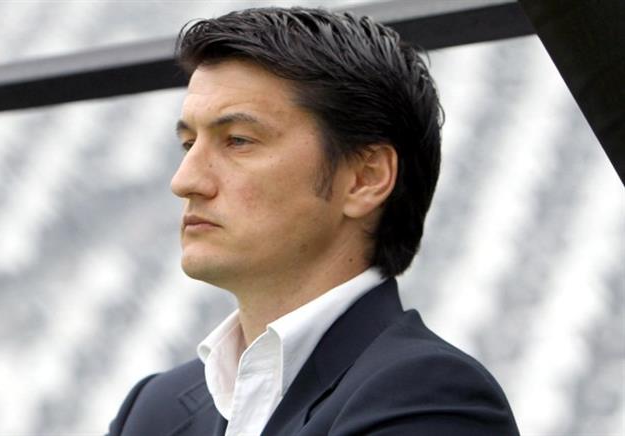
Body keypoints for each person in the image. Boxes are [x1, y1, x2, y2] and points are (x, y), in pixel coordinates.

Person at [108, 7, 518, 436]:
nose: (184, 181)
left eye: (238, 141)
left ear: (365, 178)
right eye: (188, 143)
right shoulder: (152, 409)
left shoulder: (433, 399)